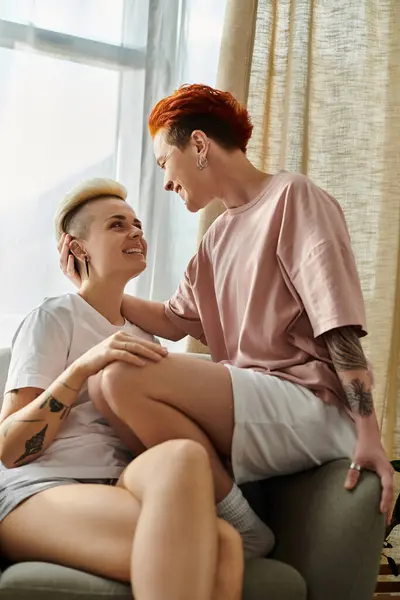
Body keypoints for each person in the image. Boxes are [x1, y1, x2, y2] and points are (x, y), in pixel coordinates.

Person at [59, 85, 394, 560]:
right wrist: (93, 287)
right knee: (108, 386)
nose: (166, 182)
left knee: (121, 375)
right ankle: (224, 516)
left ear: (198, 145)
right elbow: (175, 321)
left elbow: (337, 327)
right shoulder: (218, 235)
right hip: (260, 400)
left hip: (313, 406)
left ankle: (240, 527)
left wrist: (368, 433)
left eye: (163, 163)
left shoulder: (292, 197)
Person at [0, 178, 244, 600]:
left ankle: (241, 514)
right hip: (42, 485)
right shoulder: (55, 317)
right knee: (221, 547)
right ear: (76, 248)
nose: (136, 232)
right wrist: (82, 368)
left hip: (119, 484)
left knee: (186, 458)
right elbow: (11, 449)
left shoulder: (144, 338)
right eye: (117, 225)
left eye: (138, 225)